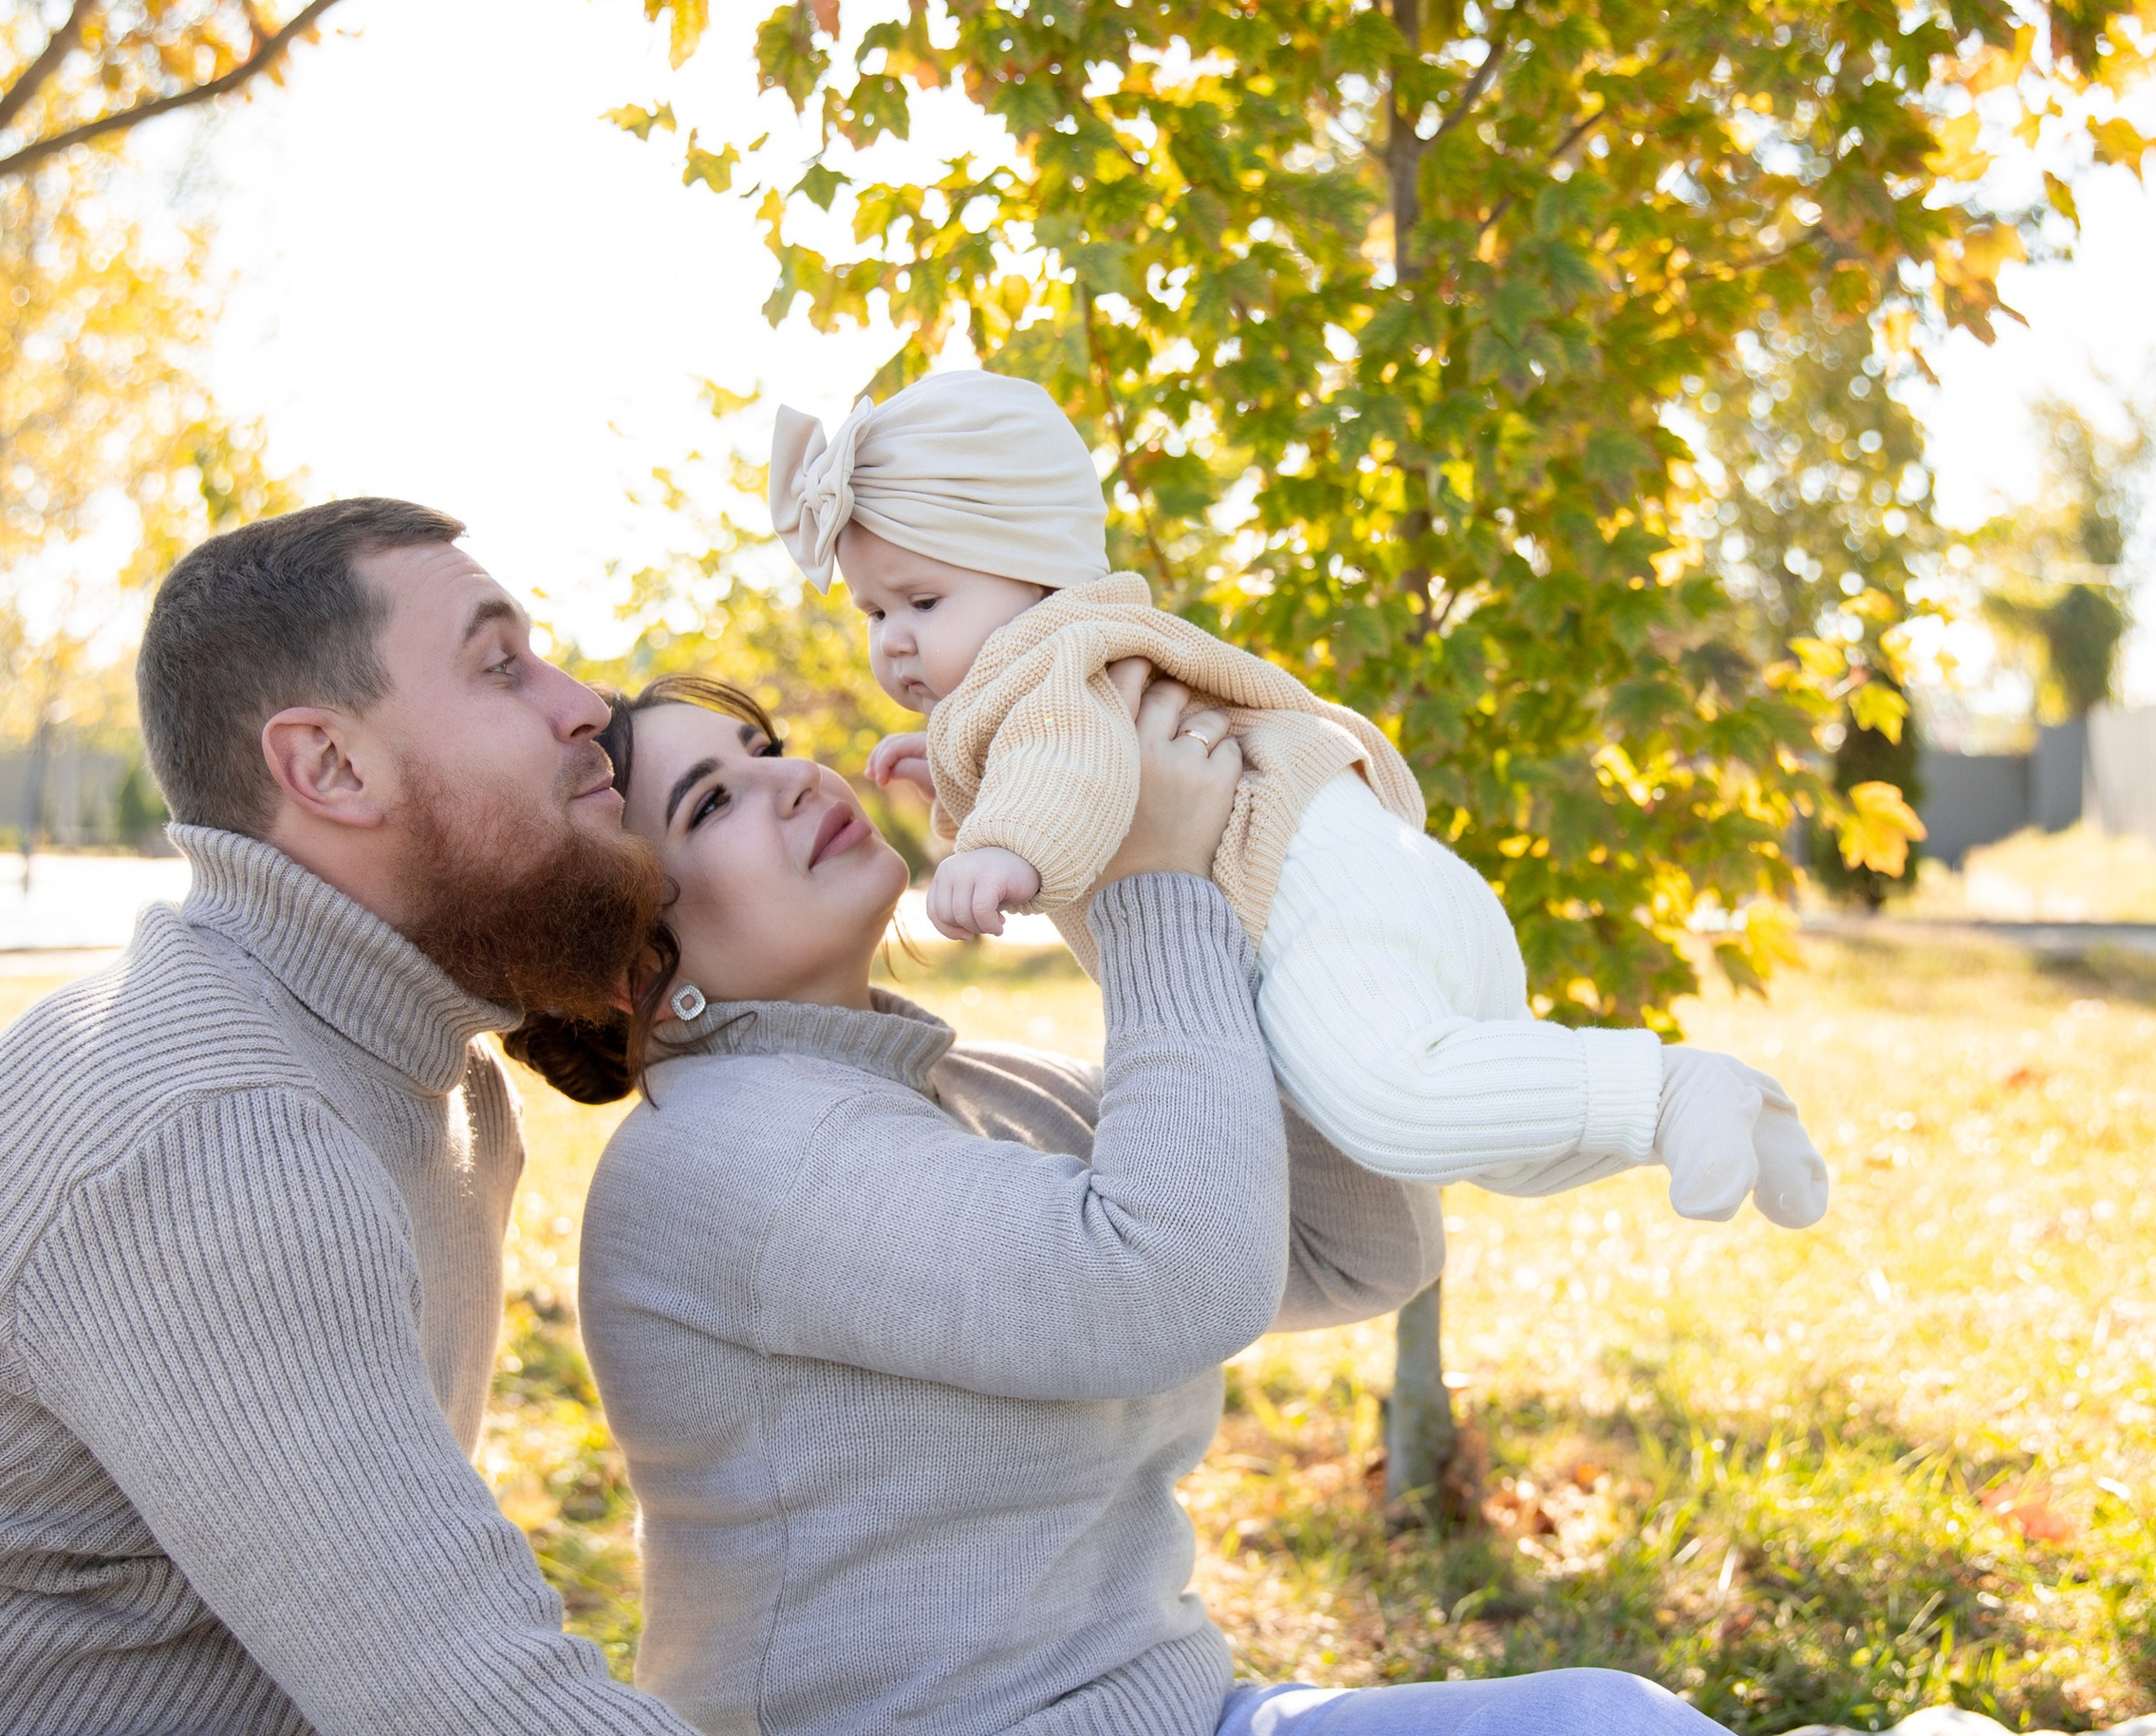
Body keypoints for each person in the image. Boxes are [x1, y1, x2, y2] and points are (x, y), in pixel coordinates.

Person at [567, 663, 2156, 1736]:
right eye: (706, 803)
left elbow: (1352, 1246)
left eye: (764, 751)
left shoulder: (959, 1087)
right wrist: (1144, 887)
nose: (784, 783)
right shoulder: (718, 1167)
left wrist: (1150, 869)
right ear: (644, 965)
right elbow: (1160, 1279)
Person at [0, 498, 1219, 1736]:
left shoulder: (435, 1084)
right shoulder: (206, 1115)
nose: (585, 702)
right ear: (331, 769)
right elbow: (489, 1730)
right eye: (504, 665)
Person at [769, 367, 1827, 1233]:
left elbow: (1067, 765)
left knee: (1393, 1102)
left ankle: (1676, 1088)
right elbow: (1060, 754)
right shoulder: (1055, 676)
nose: (893, 638)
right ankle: (1728, 1121)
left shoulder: (1052, 661)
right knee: (1478, 1128)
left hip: (1306, 884)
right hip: (1380, 872)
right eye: (871, 611)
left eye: (921, 600)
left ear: (1036, 578)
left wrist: (997, 846)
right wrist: (964, 778)